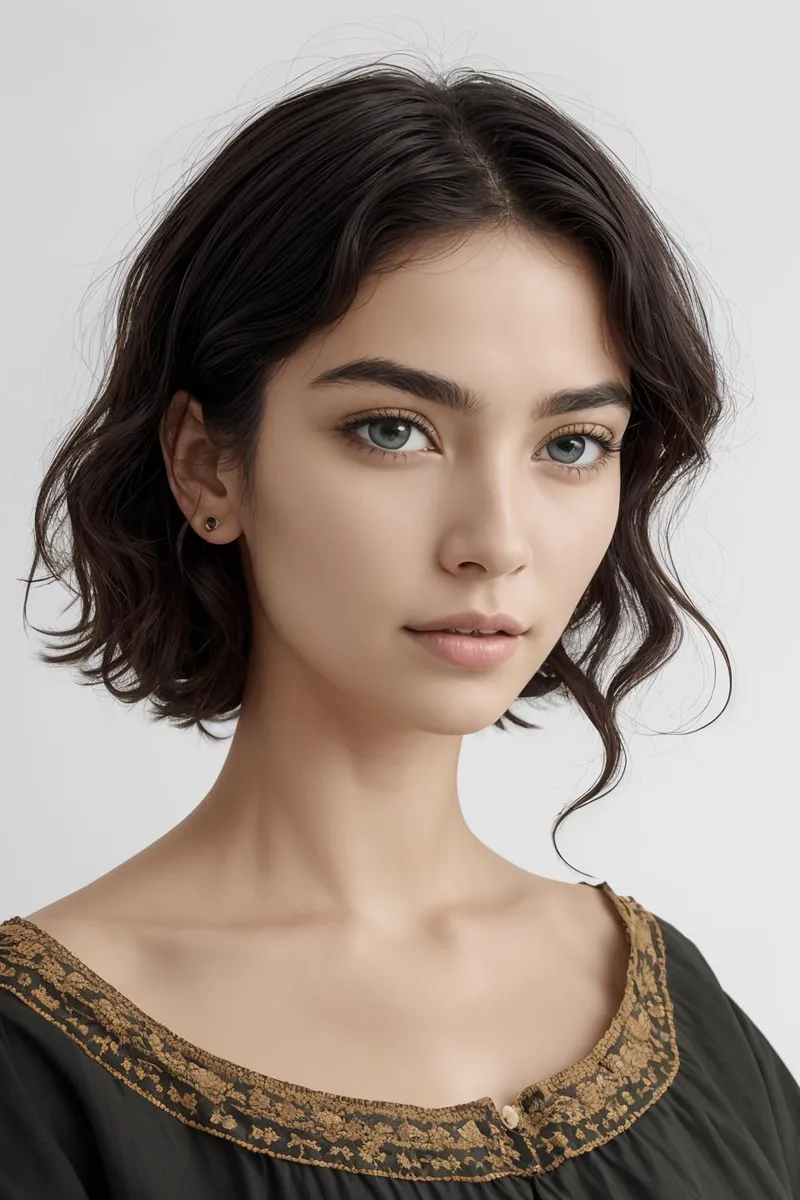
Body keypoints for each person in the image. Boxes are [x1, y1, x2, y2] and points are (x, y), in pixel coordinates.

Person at [1, 58, 797, 1199]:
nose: (494, 539)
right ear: (206, 464)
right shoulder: (38, 1068)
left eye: (569, 445)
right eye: (393, 430)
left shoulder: (673, 1005)